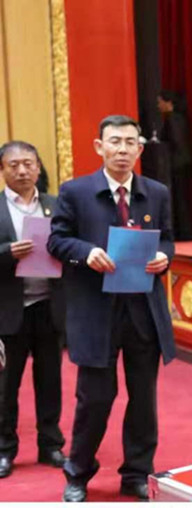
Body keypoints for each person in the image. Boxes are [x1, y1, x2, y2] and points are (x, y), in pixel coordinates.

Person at [48, 115, 176, 502]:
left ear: (140, 148)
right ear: (99, 146)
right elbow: (57, 240)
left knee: (143, 400)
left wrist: (163, 257)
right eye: (115, 141)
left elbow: (168, 239)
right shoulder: (75, 192)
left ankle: (136, 472)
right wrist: (87, 252)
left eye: (130, 142)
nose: (123, 150)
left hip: (142, 310)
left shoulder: (157, 192)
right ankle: (77, 473)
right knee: (95, 398)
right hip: (95, 311)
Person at [0, 141, 66, 479]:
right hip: (9, 310)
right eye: (14, 165)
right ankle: (4, 449)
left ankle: (50, 443)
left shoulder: (56, 206)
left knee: (50, 380)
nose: (22, 171)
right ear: (2, 170)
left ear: (39, 167)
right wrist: (7, 252)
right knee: (5, 386)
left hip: (49, 307)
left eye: (28, 164)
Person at [157, 90, 192, 240]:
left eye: (160, 102)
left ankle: (184, 233)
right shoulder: (178, 118)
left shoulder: (172, 120)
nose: (158, 105)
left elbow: (177, 143)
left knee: (180, 201)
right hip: (182, 163)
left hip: (177, 164)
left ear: (168, 103)